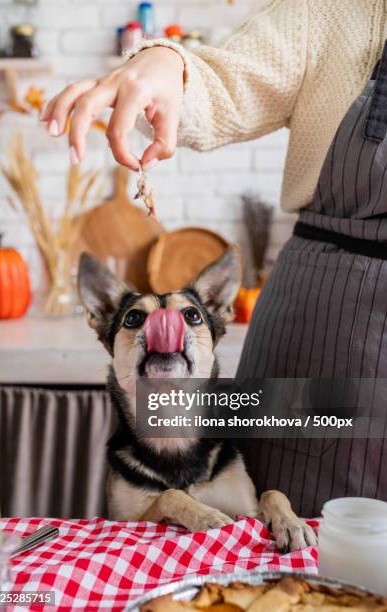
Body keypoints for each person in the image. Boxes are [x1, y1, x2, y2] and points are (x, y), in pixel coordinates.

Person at [42, 0, 387, 517]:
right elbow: (221, 84)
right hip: (331, 327)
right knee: (288, 562)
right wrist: (164, 64)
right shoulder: (334, 10)